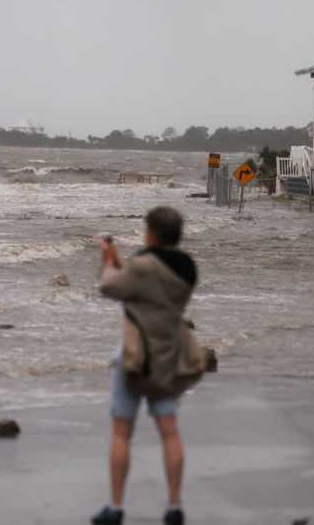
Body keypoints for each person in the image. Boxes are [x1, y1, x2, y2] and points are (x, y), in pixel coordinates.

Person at [92, 206, 199, 525]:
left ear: (151, 232)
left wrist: (109, 260)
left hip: (136, 359)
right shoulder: (187, 267)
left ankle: (115, 507)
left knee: (122, 432)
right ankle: (175, 506)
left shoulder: (142, 266)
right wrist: (126, 263)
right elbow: (148, 287)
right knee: (169, 431)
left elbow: (110, 286)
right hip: (168, 358)